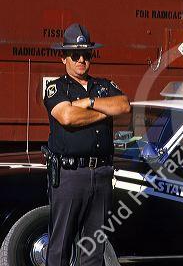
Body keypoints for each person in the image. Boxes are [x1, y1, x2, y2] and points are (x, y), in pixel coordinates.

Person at [43, 23, 130, 265]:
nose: (82, 59)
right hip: (70, 175)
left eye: (87, 54)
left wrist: (88, 102)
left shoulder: (103, 85)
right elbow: (67, 117)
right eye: (75, 54)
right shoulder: (56, 88)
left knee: (94, 248)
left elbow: (124, 106)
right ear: (63, 58)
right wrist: (104, 110)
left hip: (101, 174)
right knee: (60, 245)